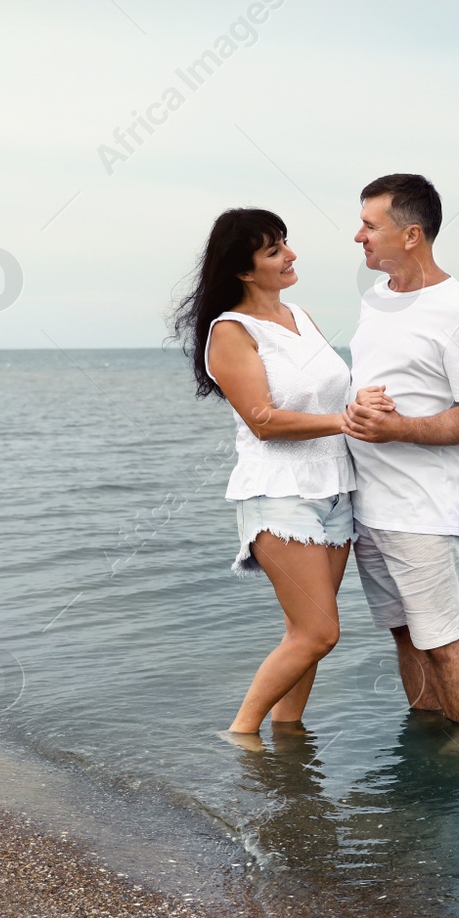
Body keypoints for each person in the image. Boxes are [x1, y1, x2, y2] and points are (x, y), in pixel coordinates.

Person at [171, 208, 356, 748]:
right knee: (320, 631)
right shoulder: (231, 331)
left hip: (337, 490)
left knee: (307, 636)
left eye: (285, 244)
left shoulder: (301, 316)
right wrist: (345, 420)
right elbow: (264, 420)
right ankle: (241, 734)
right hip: (278, 493)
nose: (290, 255)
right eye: (274, 250)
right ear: (244, 271)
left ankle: (289, 737)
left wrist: (364, 405)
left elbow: (332, 395)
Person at [342, 174, 459, 724]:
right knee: (405, 636)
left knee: (441, 641)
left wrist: (399, 428)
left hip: (423, 509)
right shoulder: (373, 300)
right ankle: (427, 744)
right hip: (368, 505)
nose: (358, 236)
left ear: (410, 235)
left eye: (369, 225)